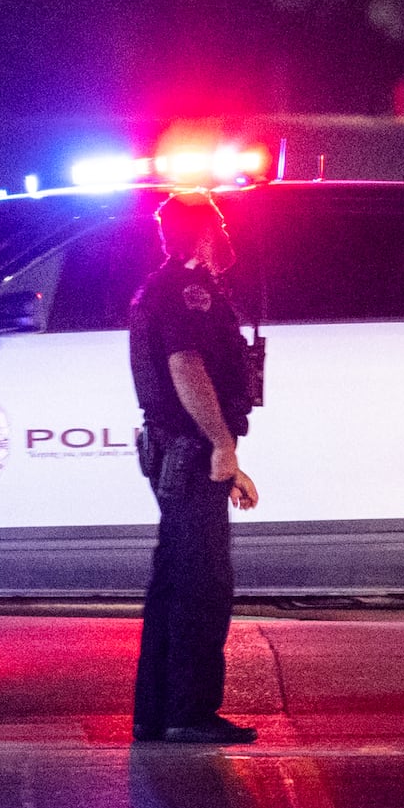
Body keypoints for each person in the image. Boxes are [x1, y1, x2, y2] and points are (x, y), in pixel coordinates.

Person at [125, 188, 266, 746]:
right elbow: (186, 367)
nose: (228, 234)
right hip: (190, 450)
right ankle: (188, 712)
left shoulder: (160, 288)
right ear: (204, 233)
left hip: (178, 451)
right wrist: (222, 446)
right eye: (220, 225)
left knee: (172, 583)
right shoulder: (189, 292)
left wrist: (226, 455)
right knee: (202, 586)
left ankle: (155, 713)